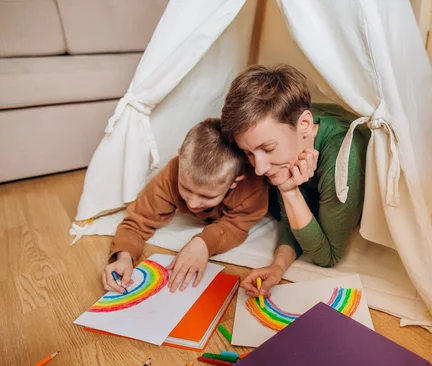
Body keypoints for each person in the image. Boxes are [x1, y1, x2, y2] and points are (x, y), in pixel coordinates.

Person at [221, 64, 370, 298]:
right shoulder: (287, 133)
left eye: (267, 148)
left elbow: (328, 256)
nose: (259, 169)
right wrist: (278, 266)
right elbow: (290, 217)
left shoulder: (342, 161)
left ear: (305, 125)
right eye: (249, 153)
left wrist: (289, 191)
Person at [102, 118, 268, 293]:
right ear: (180, 158)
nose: (192, 203)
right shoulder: (172, 173)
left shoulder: (252, 185)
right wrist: (124, 256)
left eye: (206, 196)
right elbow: (137, 221)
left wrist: (204, 243)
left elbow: (237, 226)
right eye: (186, 188)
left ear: (235, 181)